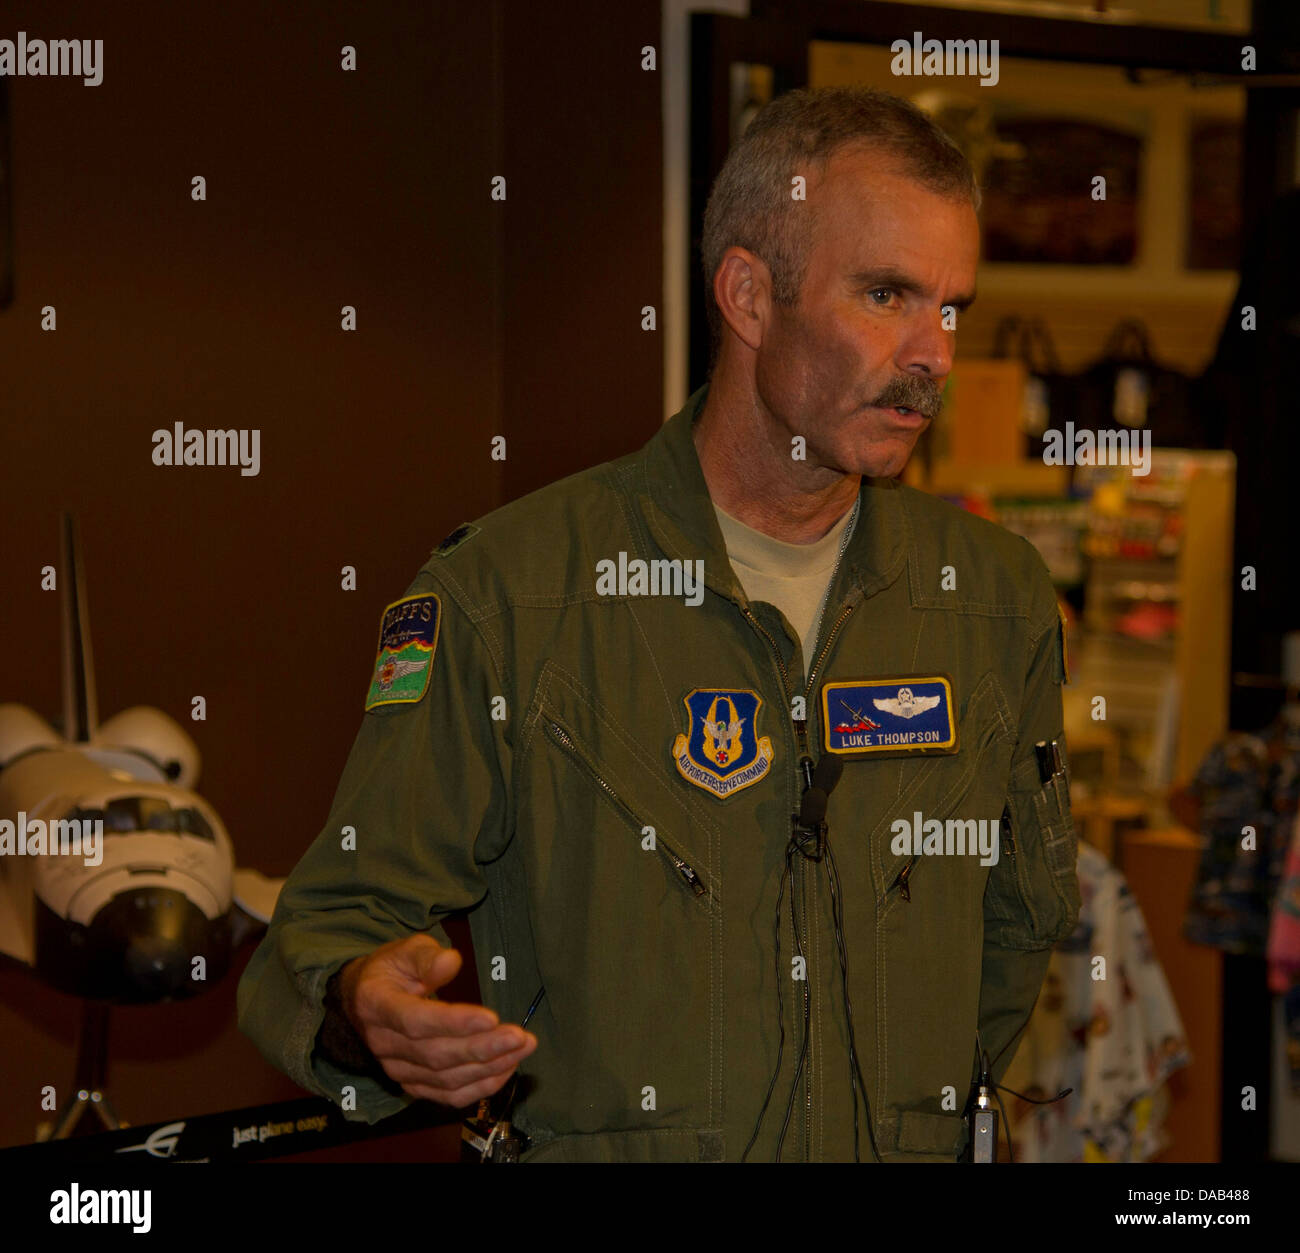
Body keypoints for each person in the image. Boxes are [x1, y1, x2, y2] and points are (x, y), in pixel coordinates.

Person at [238, 85, 1080, 1163]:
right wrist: (364, 1001)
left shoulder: (992, 599)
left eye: (950, 306)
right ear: (748, 294)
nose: (932, 355)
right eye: (885, 295)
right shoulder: (514, 594)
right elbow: (326, 925)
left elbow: (1016, 928)